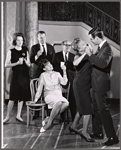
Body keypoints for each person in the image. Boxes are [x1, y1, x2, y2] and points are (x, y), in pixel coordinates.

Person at [85, 27, 119, 146]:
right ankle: (98, 132)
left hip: (101, 84)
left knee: (103, 110)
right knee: (96, 109)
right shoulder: (100, 48)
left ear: (98, 38)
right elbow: (96, 61)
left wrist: (90, 54)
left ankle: (112, 137)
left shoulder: (107, 49)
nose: (91, 41)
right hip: (95, 83)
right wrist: (90, 54)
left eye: (92, 39)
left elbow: (103, 64)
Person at [31, 59, 69, 132]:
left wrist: (64, 71)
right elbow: (39, 88)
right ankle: (48, 124)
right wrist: (36, 99)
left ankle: (49, 118)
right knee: (59, 103)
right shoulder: (43, 75)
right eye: (47, 65)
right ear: (44, 68)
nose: (50, 65)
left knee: (66, 103)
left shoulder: (57, 73)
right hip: (49, 94)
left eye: (50, 64)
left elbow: (64, 83)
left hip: (58, 94)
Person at [68, 38, 94, 142]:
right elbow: (75, 63)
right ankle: (84, 132)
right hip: (80, 84)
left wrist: (90, 52)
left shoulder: (87, 53)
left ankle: (73, 126)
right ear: (79, 48)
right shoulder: (78, 55)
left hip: (85, 84)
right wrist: (85, 54)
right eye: (83, 43)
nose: (85, 44)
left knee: (81, 107)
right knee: (87, 109)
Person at [3, 33, 31, 124]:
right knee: (12, 97)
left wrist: (26, 62)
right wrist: (17, 63)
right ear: (15, 41)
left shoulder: (25, 49)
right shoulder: (11, 51)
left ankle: (18, 115)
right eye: (18, 40)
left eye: (22, 40)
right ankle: (7, 117)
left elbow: (29, 64)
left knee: (22, 96)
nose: (20, 42)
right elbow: (6, 65)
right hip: (16, 76)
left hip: (25, 75)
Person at [30, 31, 56, 118]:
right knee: (37, 92)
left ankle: (48, 113)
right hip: (37, 73)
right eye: (40, 38)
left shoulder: (50, 47)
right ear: (37, 38)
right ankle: (36, 113)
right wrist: (37, 55)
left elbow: (53, 60)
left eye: (44, 37)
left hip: (48, 73)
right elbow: (31, 60)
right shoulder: (34, 48)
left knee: (48, 92)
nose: (42, 39)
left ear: (46, 37)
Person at [55, 40, 76, 121]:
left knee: (72, 99)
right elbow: (53, 67)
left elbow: (75, 69)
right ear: (62, 46)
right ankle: (62, 117)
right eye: (66, 45)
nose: (67, 47)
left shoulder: (73, 56)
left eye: (69, 45)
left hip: (71, 81)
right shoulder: (56, 55)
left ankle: (74, 117)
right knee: (62, 99)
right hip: (60, 81)